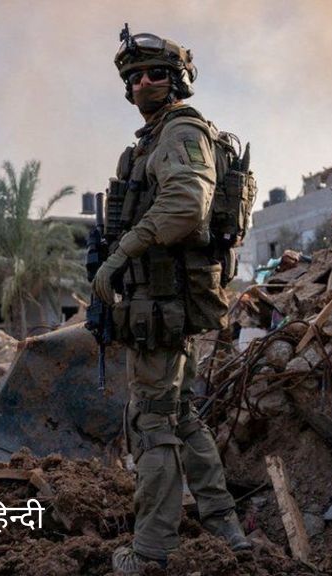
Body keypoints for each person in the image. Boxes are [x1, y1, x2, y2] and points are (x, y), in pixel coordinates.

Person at [92, 26, 250, 574]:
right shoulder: (160, 137)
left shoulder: (180, 131)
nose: (143, 83)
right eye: (134, 76)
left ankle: (151, 551)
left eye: (155, 73)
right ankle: (226, 528)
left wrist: (121, 253)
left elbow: (186, 204)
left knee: (152, 422)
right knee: (181, 416)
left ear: (178, 79)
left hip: (163, 303)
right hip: (164, 302)